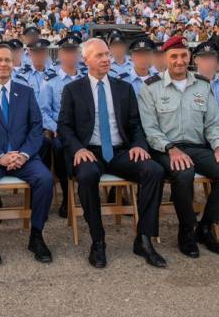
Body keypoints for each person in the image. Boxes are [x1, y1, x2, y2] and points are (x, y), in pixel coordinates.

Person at [58, 38, 166, 268]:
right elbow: (64, 127)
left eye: (107, 54)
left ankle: (144, 238)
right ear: (86, 60)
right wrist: (78, 149)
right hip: (90, 151)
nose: (106, 59)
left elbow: (136, 124)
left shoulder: (123, 88)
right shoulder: (72, 90)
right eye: (99, 55)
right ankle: (98, 240)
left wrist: (139, 145)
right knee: (86, 176)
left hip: (120, 151)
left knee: (154, 171)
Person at [138, 35, 219, 258]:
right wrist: (170, 149)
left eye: (184, 55)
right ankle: (187, 231)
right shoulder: (151, 88)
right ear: (165, 58)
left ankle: (206, 227)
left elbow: (213, 123)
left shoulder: (202, 85)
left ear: (190, 57)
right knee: (184, 173)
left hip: (197, 146)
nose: (179, 60)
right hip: (165, 149)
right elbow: (150, 128)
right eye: (174, 56)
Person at [0, 41, 53, 265]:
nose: (3, 64)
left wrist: (23, 154)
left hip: (23, 156)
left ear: (13, 63)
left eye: (7, 59)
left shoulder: (25, 92)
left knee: (45, 178)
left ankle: (36, 234)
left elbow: (36, 127)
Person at [38, 35, 86, 217]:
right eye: (67, 51)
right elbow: (43, 111)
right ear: (60, 54)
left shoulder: (86, 78)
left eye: (74, 51)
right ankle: (67, 195)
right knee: (58, 147)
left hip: (86, 131)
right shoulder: (50, 81)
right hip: (61, 132)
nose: (71, 56)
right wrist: (55, 128)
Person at [192, 41, 219, 108]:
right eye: (204, 58)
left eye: (211, 58)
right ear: (196, 60)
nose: (208, 62)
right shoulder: (189, 85)